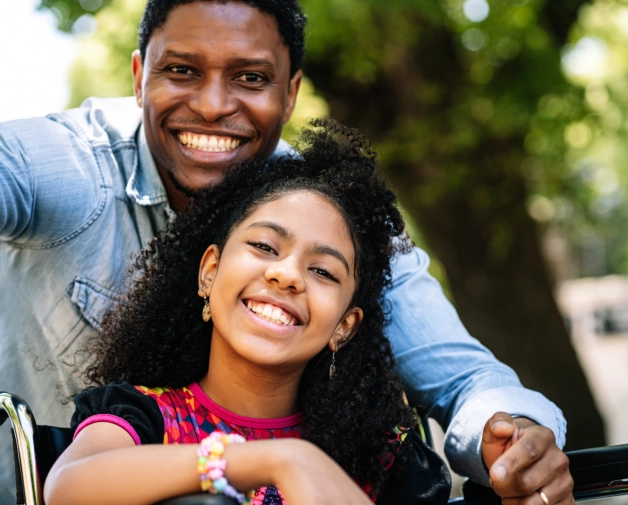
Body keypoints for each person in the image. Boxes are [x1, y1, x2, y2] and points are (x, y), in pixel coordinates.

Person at [0, 1, 572, 504]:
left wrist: (516, 436)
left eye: (251, 78)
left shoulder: (336, 218)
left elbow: (467, 379)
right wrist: (270, 460)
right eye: (180, 70)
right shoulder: (63, 167)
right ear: (138, 75)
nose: (211, 105)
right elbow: (72, 484)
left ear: (291, 93)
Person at [44, 121, 452, 505]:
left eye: (323, 271)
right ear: (209, 272)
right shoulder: (142, 416)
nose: (287, 275)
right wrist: (278, 460)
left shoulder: (382, 456)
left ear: (344, 327)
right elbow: (68, 486)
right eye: (264, 247)